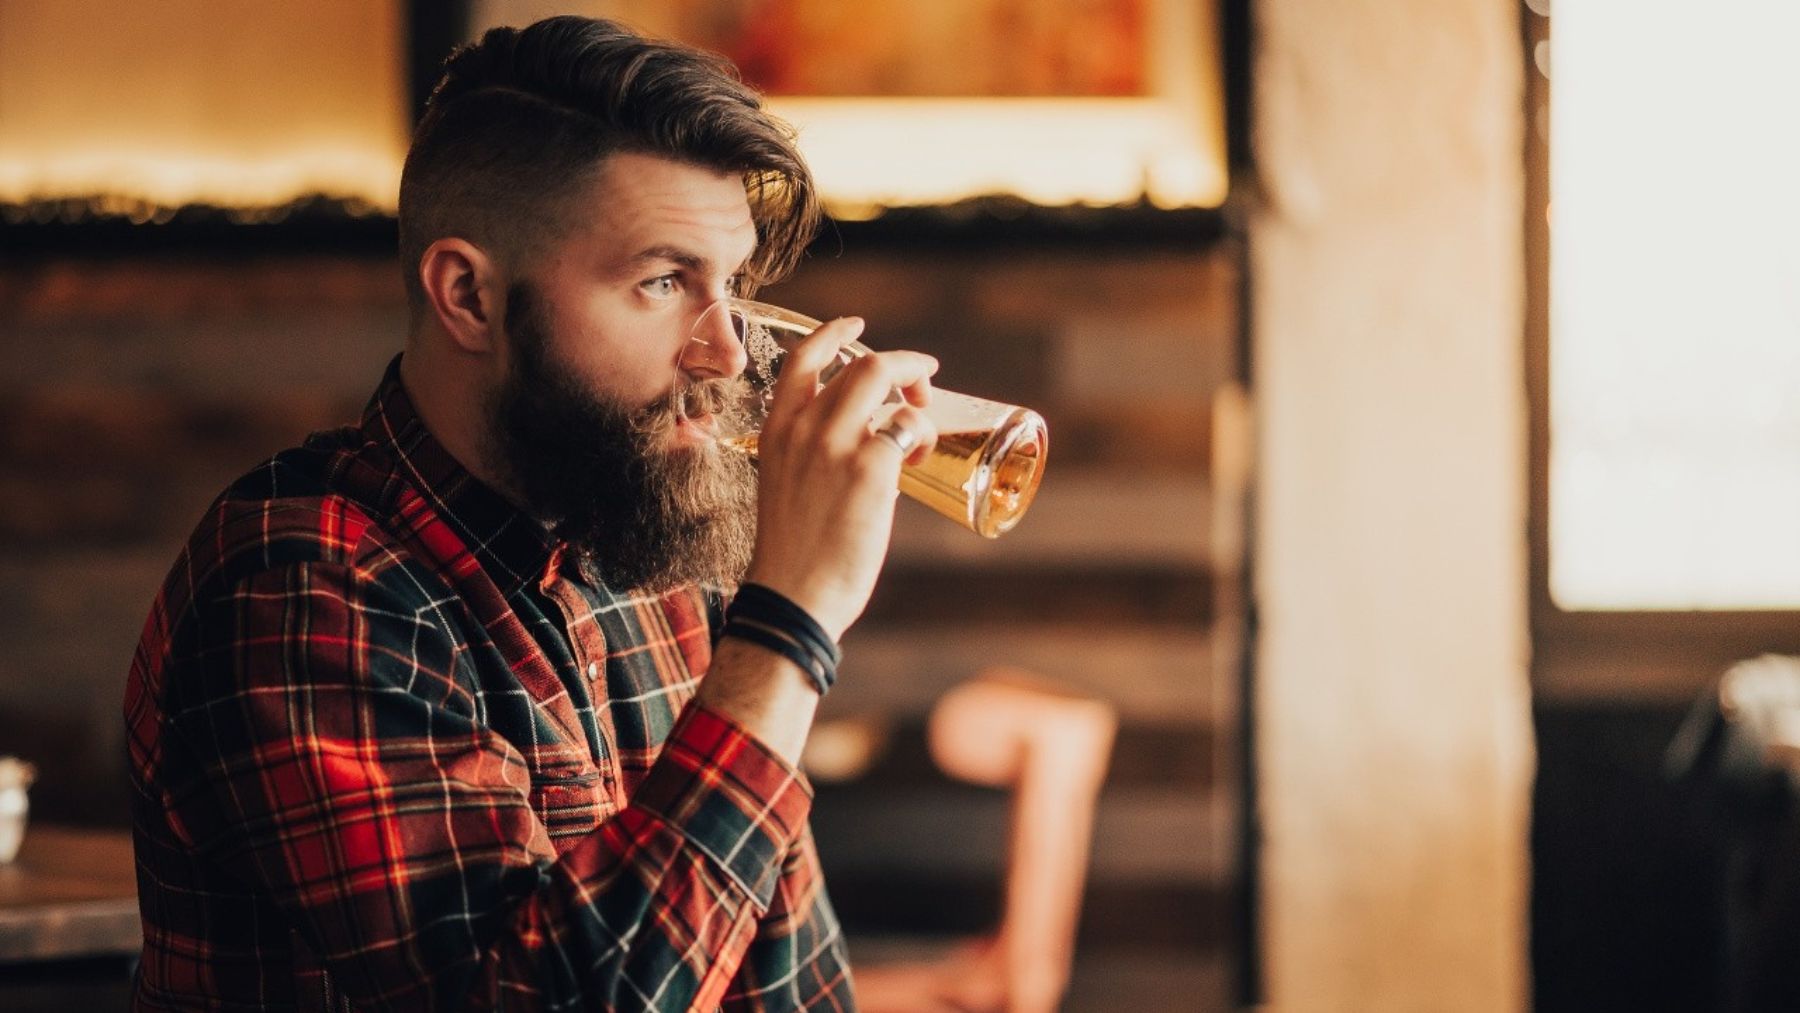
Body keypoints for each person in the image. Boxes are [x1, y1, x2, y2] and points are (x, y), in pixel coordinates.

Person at [122, 15, 938, 1011]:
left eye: (734, 285)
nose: (727, 351)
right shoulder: (304, 588)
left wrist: (772, 626)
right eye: (662, 281)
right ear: (468, 294)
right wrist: (791, 623)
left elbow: (794, 986)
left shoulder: (649, 547)